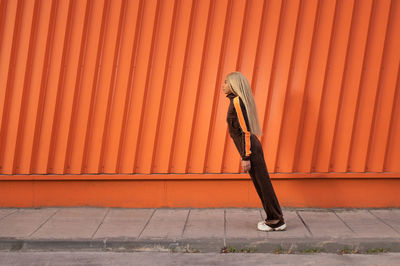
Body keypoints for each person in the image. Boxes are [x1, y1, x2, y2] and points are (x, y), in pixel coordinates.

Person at [222, 71, 286, 231]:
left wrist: (246, 157)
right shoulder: (235, 101)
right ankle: (275, 219)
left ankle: (276, 221)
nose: (222, 85)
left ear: (233, 85)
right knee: (262, 184)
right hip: (250, 149)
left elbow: (246, 131)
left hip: (250, 150)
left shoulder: (237, 102)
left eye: (225, 82)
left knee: (263, 184)